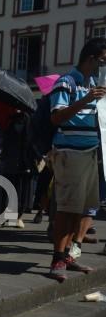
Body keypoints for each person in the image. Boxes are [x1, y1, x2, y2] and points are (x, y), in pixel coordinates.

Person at [47, 37, 106, 281]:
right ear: (91, 59)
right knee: (67, 208)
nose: (104, 66)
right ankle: (57, 259)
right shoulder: (67, 82)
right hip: (70, 154)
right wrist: (85, 99)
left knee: (82, 209)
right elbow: (57, 117)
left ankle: (69, 257)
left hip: (90, 153)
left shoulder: (94, 83)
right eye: (102, 61)